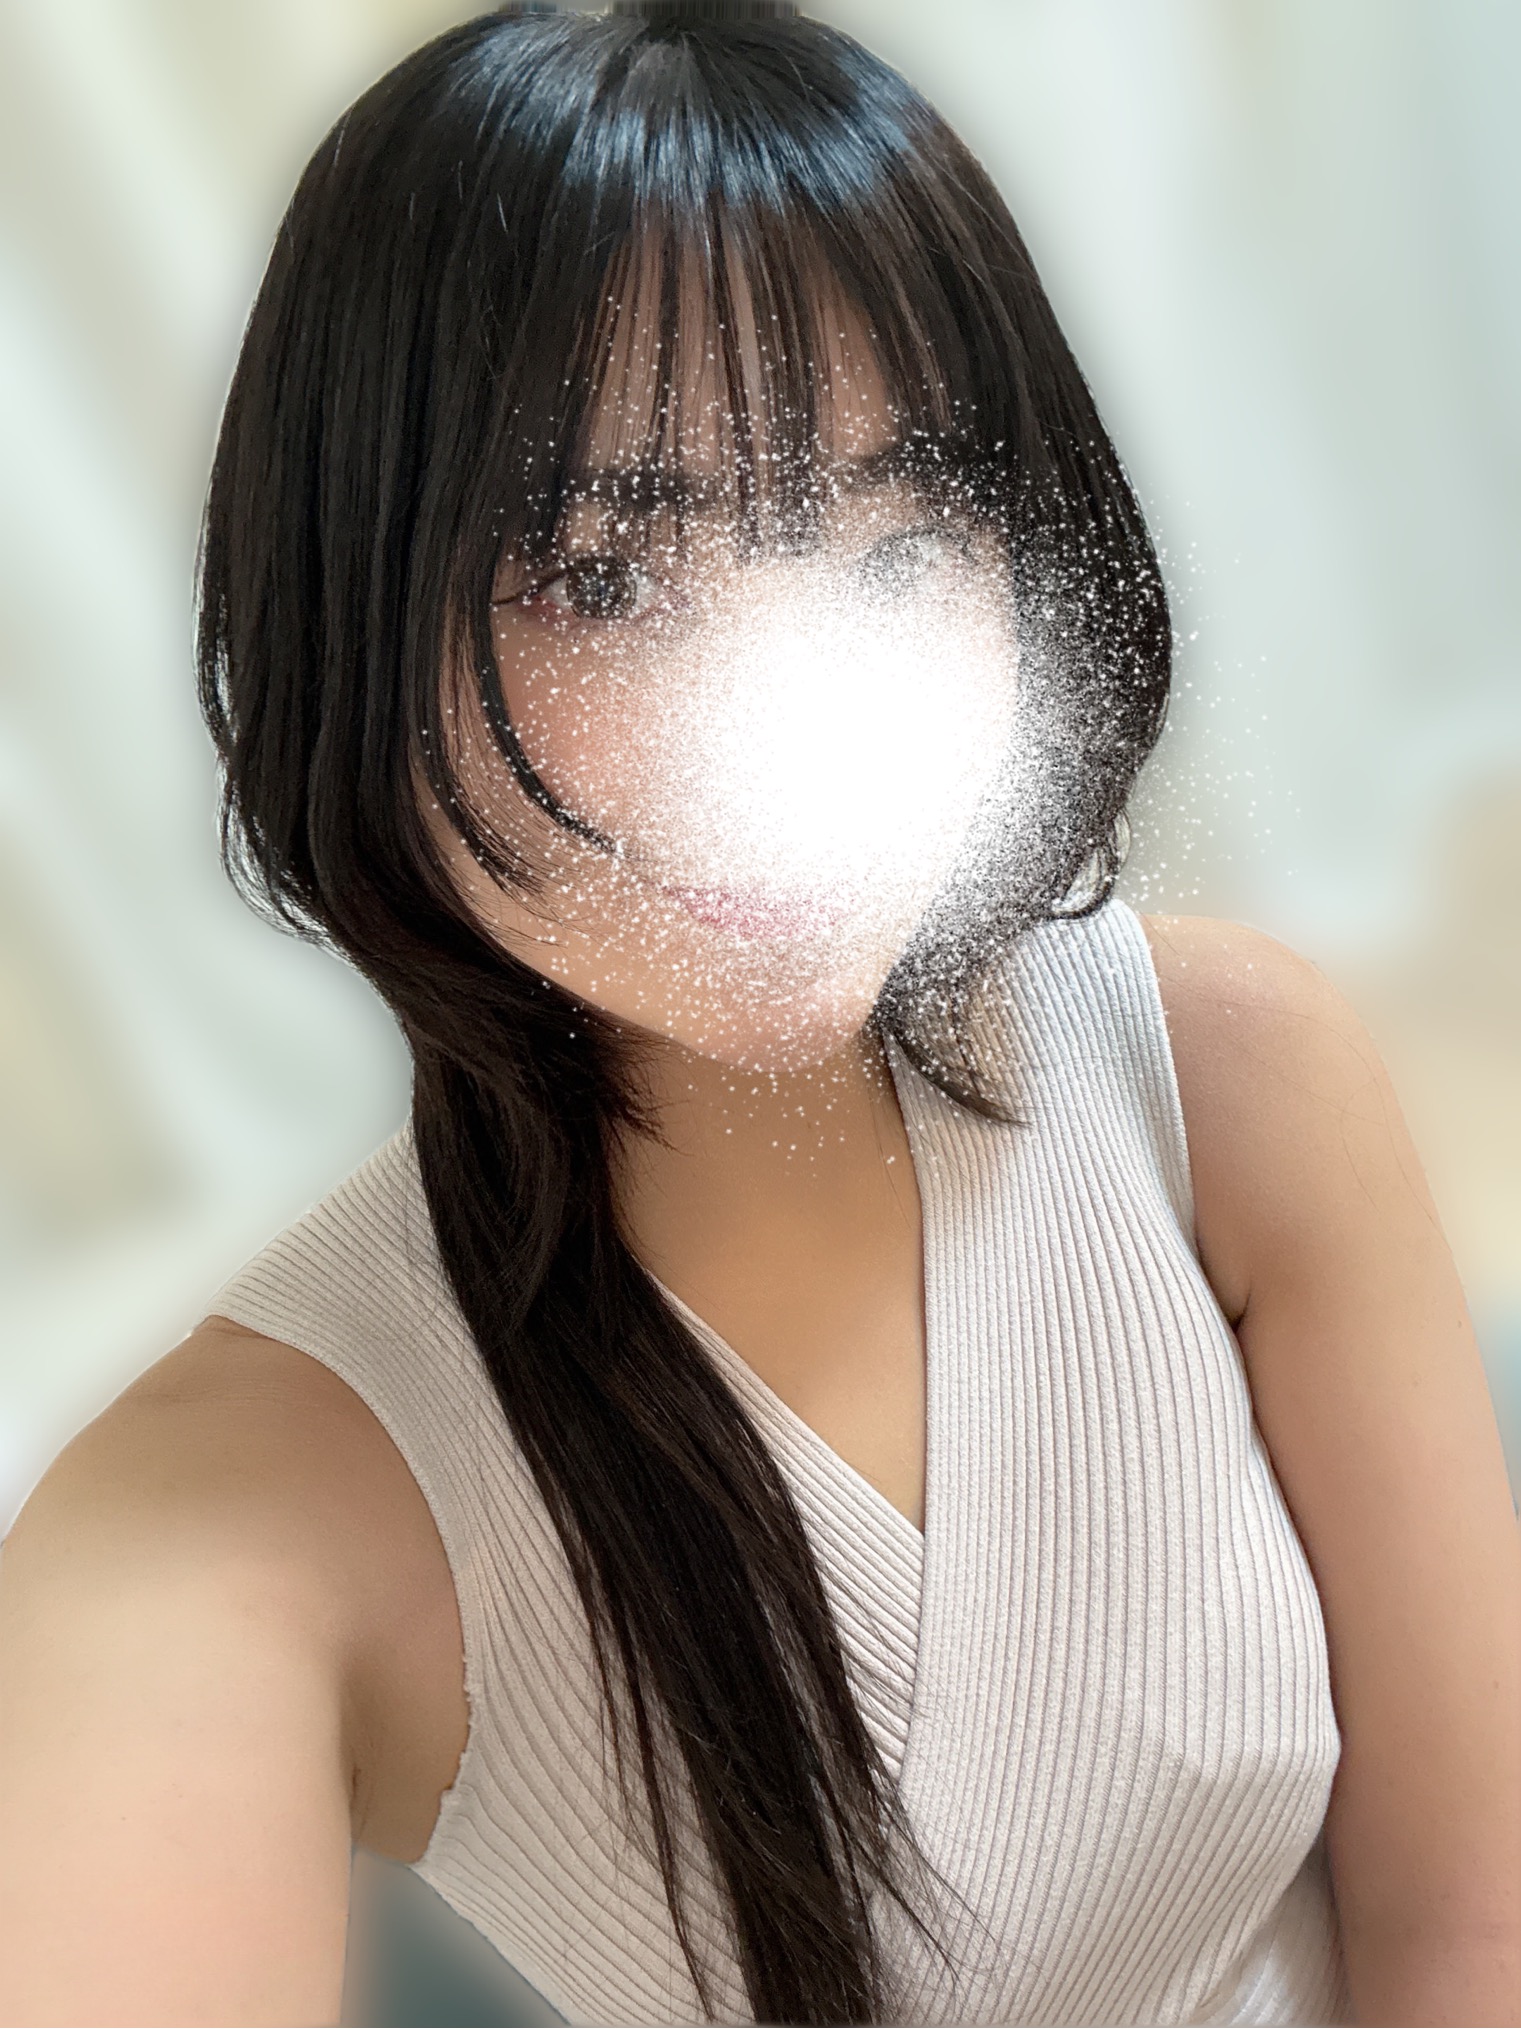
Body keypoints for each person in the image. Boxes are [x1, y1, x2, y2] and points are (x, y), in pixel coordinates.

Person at [2, 5, 1517, 2025]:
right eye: (603, 576)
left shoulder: (1227, 1072)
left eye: (898, 545)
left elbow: (1467, 1922)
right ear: (352, 609)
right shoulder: (227, 1512)